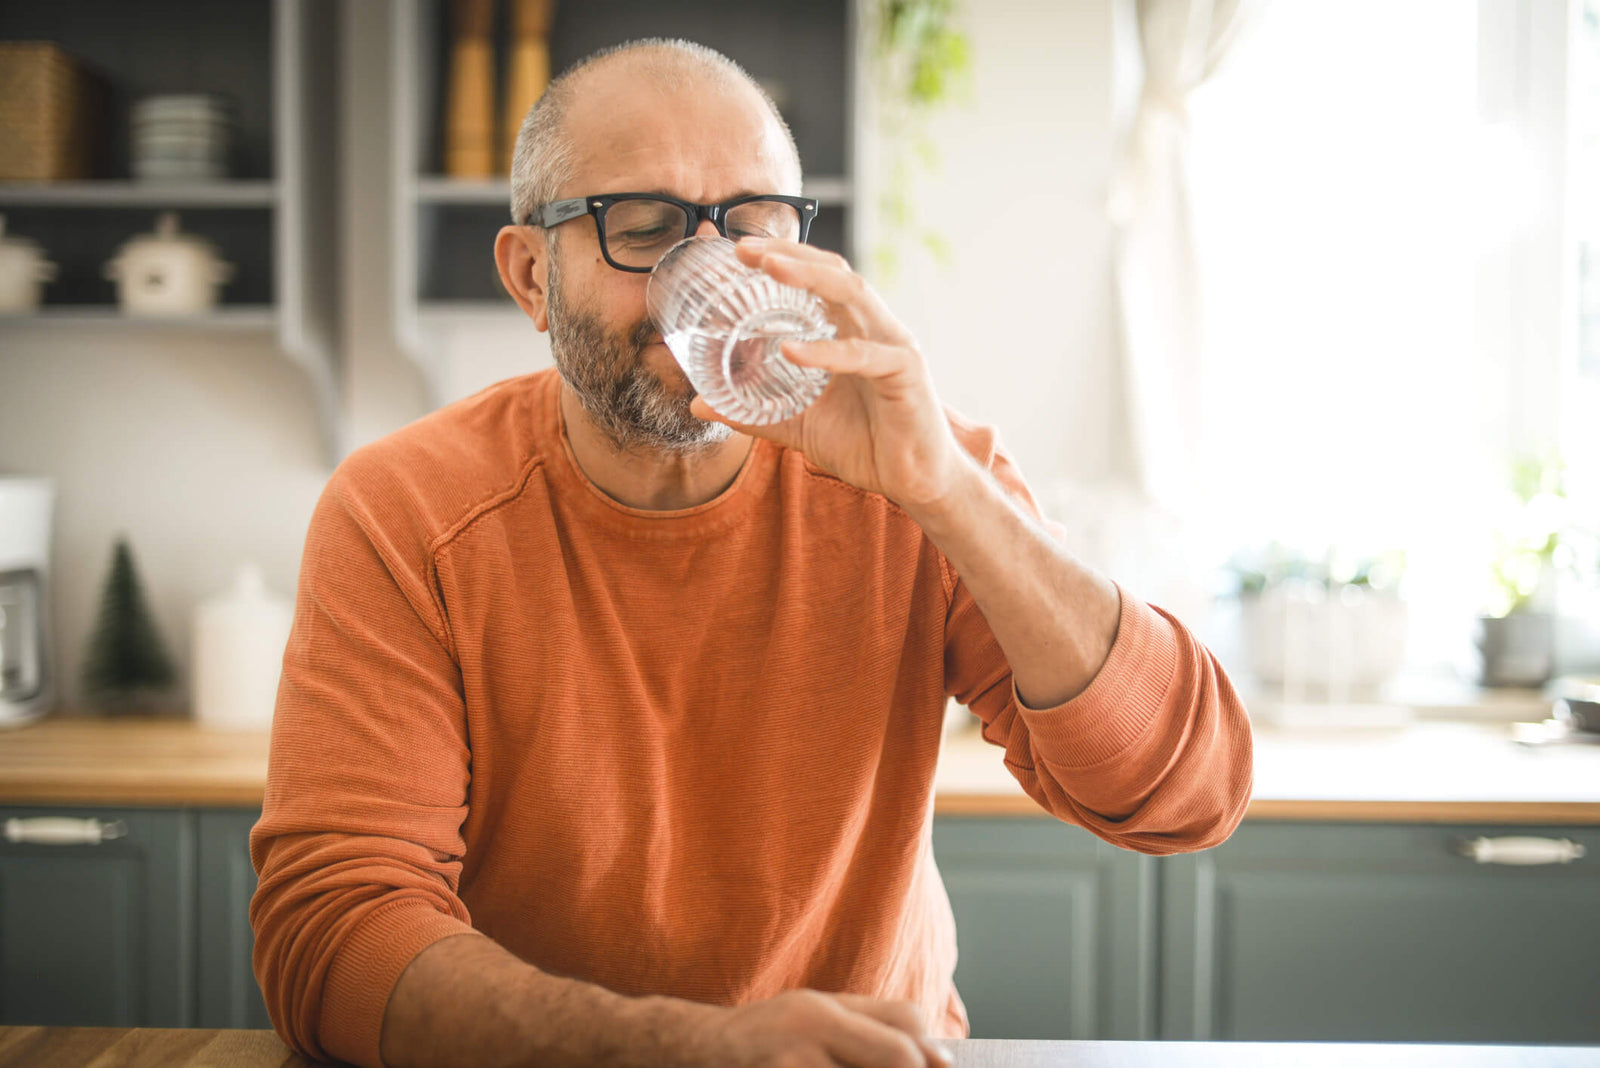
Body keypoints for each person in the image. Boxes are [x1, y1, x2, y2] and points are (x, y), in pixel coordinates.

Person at [250, 37, 1253, 1068]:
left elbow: (1188, 798)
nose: (709, 273)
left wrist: (947, 494)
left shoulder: (913, 473)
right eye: (642, 231)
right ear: (530, 277)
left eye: (753, 228)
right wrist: (680, 1049)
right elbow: (333, 935)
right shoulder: (408, 510)